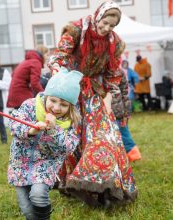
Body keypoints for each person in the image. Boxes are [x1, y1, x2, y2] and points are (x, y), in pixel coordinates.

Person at [48, 1, 137, 207]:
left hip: (95, 92)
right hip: (70, 90)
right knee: (72, 136)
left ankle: (105, 184)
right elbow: (59, 58)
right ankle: (72, 182)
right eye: (105, 23)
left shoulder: (115, 43)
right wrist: (61, 82)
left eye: (111, 26)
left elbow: (113, 74)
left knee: (104, 135)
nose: (106, 29)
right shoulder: (75, 31)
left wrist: (108, 98)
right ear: (98, 16)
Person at [8, 68, 82, 219]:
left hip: (46, 165)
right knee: (27, 210)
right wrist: (31, 130)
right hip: (20, 164)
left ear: (71, 107)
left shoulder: (72, 122)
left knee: (38, 195)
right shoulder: (30, 106)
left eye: (63, 104)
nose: (56, 107)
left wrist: (53, 131)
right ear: (46, 96)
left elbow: (67, 148)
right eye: (53, 101)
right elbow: (13, 124)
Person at [7, 45, 48, 109]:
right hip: (22, 94)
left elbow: (13, 74)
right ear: (42, 54)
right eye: (47, 55)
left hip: (15, 94)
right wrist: (45, 95)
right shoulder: (36, 62)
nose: (47, 57)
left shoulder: (27, 61)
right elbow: (34, 83)